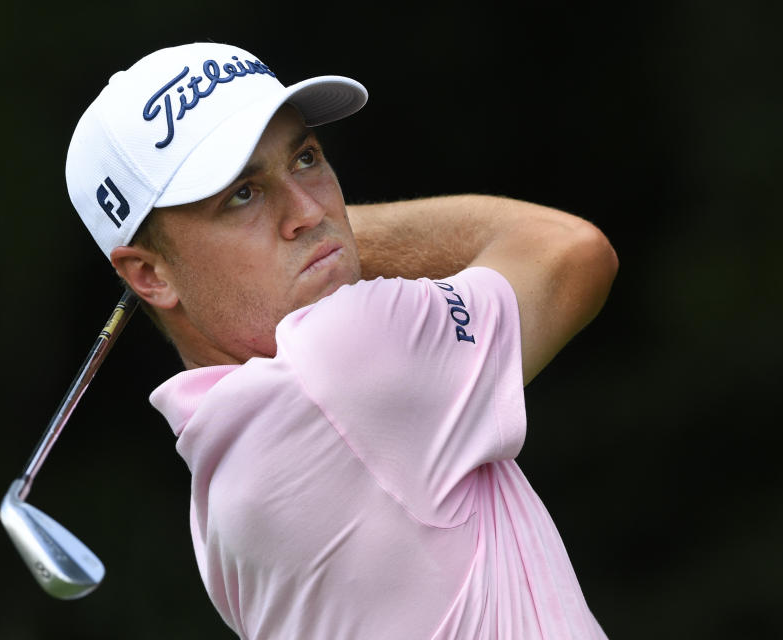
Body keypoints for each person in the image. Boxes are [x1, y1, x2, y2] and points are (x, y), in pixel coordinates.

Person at [66, 42, 618, 639]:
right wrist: (329, 238)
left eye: (305, 157)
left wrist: (299, 244)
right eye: (242, 195)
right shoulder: (344, 356)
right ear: (149, 276)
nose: (309, 207)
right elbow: (571, 253)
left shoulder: (217, 492)